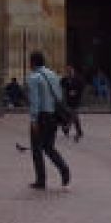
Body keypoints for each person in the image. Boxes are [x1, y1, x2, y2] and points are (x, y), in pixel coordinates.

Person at [25, 51, 71, 189]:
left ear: (32, 62)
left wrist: (33, 120)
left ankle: (41, 179)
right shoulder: (53, 75)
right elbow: (59, 95)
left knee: (37, 148)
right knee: (49, 147)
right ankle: (63, 168)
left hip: (41, 116)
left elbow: (35, 101)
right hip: (53, 116)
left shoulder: (34, 77)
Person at [60, 64, 86, 141]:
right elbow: (61, 83)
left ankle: (68, 128)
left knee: (73, 114)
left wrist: (76, 92)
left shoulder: (78, 78)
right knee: (73, 115)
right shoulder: (66, 78)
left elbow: (82, 86)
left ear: (73, 70)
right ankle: (77, 131)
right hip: (68, 100)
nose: (68, 72)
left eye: (69, 70)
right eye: (67, 71)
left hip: (76, 99)